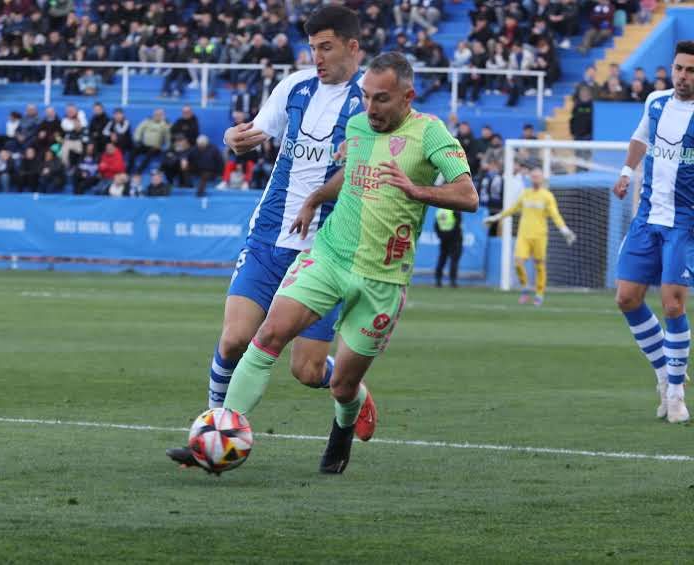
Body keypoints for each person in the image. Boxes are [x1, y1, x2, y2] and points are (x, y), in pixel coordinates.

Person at [218, 52, 477, 475]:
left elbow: (468, 195)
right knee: (268, 335)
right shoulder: (357, 127)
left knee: (342, 384)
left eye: (382, 100)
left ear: (407, 96)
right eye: (366, 97)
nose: (370, 108)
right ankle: (221, 431)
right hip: (329, 256)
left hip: (383, 280)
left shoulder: (431, 135)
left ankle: (342, 428)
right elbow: (351, 172)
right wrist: (316, 198)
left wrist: (417, 191)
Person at [166, 6, 376, 469]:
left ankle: (353, 391)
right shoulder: (295, 87)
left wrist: (332, 182)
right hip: (268, 237)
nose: (317, 57)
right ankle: (211, 435)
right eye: (312, 48)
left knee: (306, 370)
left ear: (352, 47)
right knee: (233, 339)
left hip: (328, 249)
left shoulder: (369, 101)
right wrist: (233, 138)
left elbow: (369, 169)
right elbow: (254, 134)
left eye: (327, 47)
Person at [611, 41, 694, 424]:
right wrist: (627, 172)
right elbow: (640, 138)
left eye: (690, 71)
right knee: (626, 298)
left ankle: (676, 394)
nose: (682, 76)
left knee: (673, 305)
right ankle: (665, 375)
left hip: (685, 222)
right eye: (679, 68)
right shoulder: (656, 102)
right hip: (647, 216)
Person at [483, 168, 576, 306]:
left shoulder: (547, 196)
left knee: (540, 265)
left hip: (540, 236)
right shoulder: (525, 194)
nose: (535, 179)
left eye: (538, 176)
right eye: (533, 176)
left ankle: (539, 294)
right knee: (518, 263)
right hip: (524, 235)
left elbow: (555, 215)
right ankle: (525, 286)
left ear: (542, 179)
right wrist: (496, 218)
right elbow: (512, 209)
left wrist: (564, 230)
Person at [434, 208, 462, 288]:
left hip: (444, 238)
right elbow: (458, 224)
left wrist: (441, 235)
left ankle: (438, 280)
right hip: (454, 239)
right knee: (454, 259)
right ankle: (452, 280)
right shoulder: (455, 209)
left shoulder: (439, 210)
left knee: (442, 258)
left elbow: (436, 225)